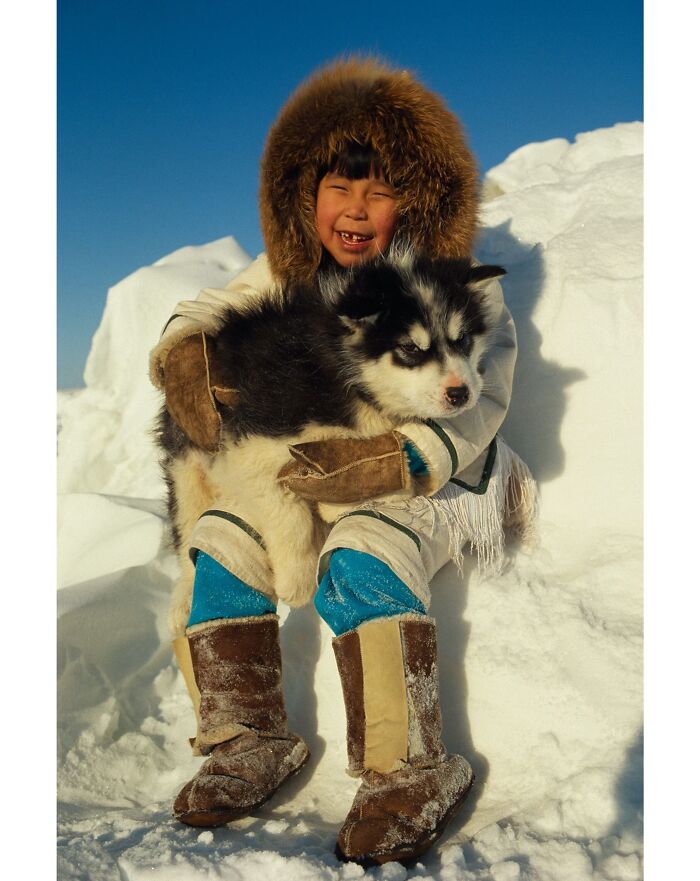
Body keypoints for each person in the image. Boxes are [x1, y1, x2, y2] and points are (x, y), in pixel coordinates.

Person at [149, 57, 537, 866]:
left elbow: (483, 397)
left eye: (380, 190)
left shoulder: (457, 286)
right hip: (313, 470)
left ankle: (408, 764)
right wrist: (184, 352)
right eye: (337, 186)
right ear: (305, 195)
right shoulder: (291, 275)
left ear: (416, 200)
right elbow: (210, 306)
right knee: (221, 538)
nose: (356, 208)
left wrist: (401, 459)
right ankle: (245, 735)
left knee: (364, 548)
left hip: (431, 483)